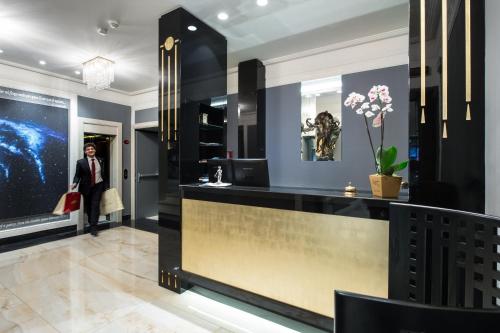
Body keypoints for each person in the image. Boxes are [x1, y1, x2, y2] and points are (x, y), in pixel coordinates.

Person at [71, 143, 108, 236]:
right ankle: (91, 221)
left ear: (95, 150)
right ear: (85, 151)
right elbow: (77, 175)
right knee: (88, 206)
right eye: (88, 149)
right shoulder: (80, 162)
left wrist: (106, 185)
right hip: (86, 187)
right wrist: (75, 183)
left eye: (92, 149)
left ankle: (93, 227)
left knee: (95, 205)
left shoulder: (101, 160)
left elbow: (104, 174)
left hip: (98, 186)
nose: (90, 150)